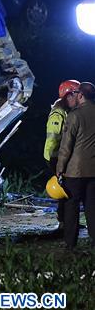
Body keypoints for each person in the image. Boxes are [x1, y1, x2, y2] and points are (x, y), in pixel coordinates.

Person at [55, 81, 95, 249]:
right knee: (92, 206)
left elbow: (66, 146)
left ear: (80, 95)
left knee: (71, 207)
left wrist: (59, 168)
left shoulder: (74, 115)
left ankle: (70, 243)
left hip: (75, 171)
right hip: (93, 171)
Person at [43, 80, 82, 233]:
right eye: (76, 94)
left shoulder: (66, 112)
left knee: (68, 190)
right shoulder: (57, 114)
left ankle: (68, 222)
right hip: (55, 158)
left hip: (62, 157)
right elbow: (53, 140)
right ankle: (63, 223)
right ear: (68, 95)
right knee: (63, 191)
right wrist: (57, 161)